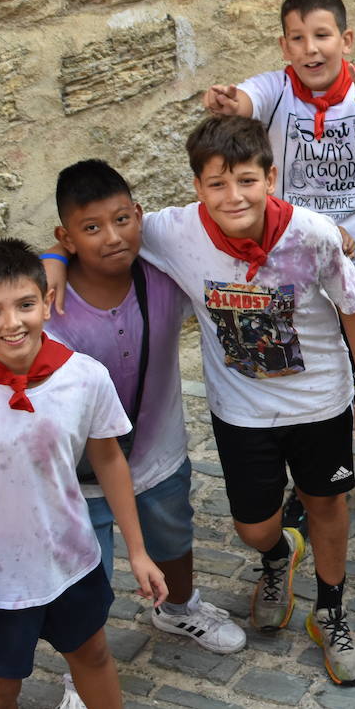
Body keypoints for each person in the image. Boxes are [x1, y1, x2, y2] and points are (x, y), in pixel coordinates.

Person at [44, 117, 355, 685]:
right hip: (240, 409)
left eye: (247, 180)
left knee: (326, 505)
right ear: (197, 188)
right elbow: (92, 237)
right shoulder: (171, 233)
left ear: (271, 178)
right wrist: (50, 264)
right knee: (254, 527)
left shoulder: (312, 235)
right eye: (217, 184)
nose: (234, 196)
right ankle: (278, 556)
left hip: (320, 402)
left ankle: (331, 611)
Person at [202, 0, 355, 525]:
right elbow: (245, 101)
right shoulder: (275, 92)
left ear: (344, 39)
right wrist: (232, 103)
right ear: (284, 46)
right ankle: (316, 478)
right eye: (297, 39)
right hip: (295, 266)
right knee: (308, 367)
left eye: (321, 36)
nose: (310, 49)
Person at [49, 160, 246, 656]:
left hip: (159, 453)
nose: (112, 237)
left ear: (138, 214)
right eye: (91, 228)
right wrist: (46, 260)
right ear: (66, 237)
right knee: (86, 571)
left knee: (173, 533)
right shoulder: (47, 302)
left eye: (121, 220)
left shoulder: (163, 277)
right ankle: (85, 665)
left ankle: (179, 609)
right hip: (78, 475)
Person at [0, 239, 167, 709]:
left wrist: (138, 551)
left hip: (72, 561)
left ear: (45, 302)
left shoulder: (84, 377)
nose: (12, 323)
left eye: (24, 305)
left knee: (93, 654)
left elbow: (109, 460)